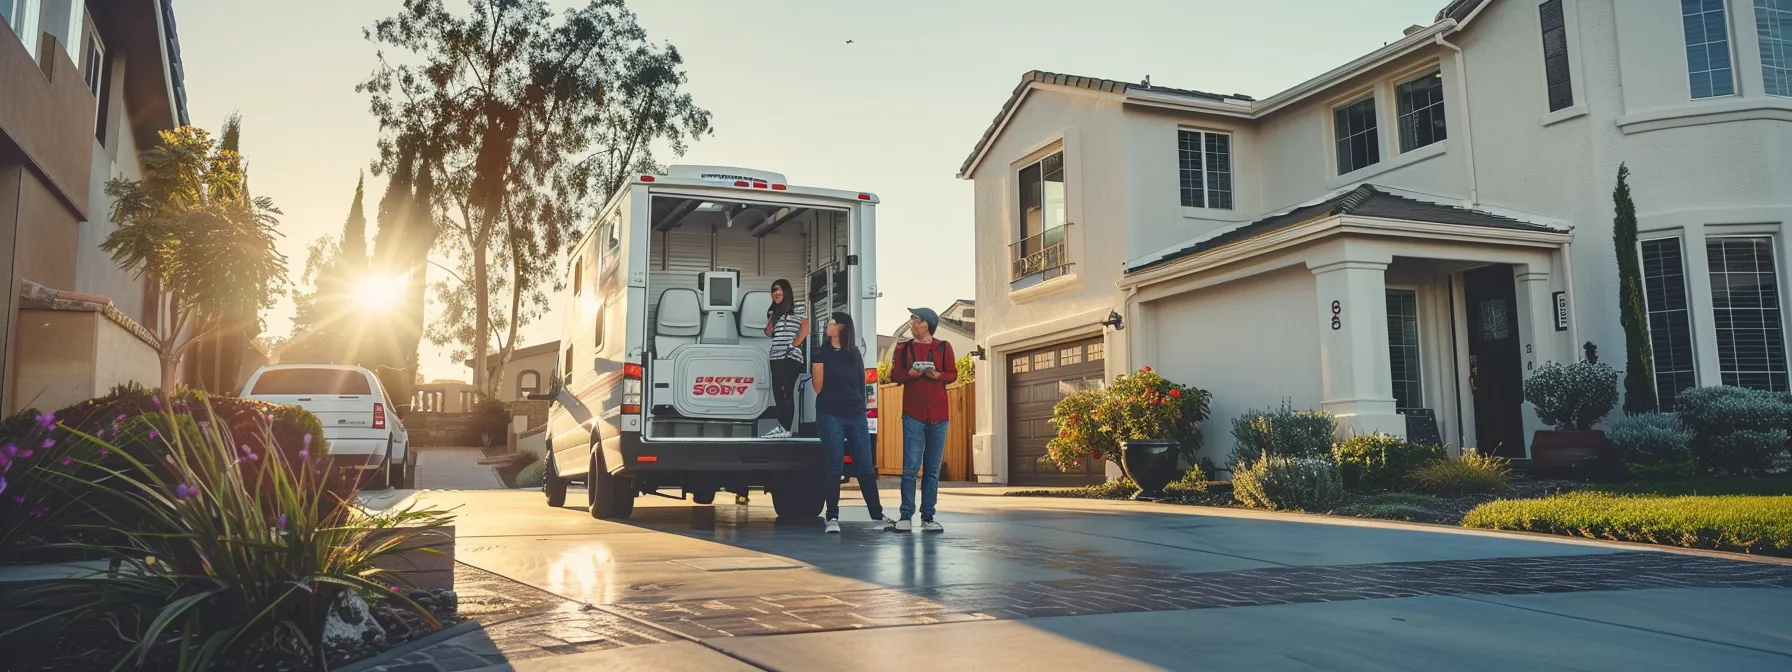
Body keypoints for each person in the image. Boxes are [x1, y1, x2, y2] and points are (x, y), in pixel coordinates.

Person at [810, 312, 891, 534]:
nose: (828, 325)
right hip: (830, 413)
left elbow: (860, 386)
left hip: (855, 414)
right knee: (835, 464)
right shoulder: (820, 353)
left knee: (865, 466)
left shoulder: (854, 353)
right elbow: (818, 387)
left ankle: (877, 515)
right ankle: (832, 517)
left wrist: (861, 409)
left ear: (843, 328)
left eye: (832, 323)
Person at [889, 307, 955, 533]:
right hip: (913, 414)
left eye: (915, 319)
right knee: (910, 468)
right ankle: (905, 515)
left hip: (939, 415)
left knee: (932, 470)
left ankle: (928, 517)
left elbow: (952, 373)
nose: (911, 322)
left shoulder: (944, 347)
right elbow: (894, 374)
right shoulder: (903, 348)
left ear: (926, 324)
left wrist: (939, 375)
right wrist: (912, 374)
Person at [762, 279, 808, 439]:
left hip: (790, 356)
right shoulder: (774, 311)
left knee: (787, 390)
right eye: (773, 290)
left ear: (786, 291)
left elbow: (806, 327)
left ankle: (787, 428)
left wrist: (795, 343)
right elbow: (768, 333)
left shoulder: (799, 307)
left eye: (779, 289)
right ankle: (782, 426)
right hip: (775, 356)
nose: (776, 293)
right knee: (777, 392)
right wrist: (772, 315)